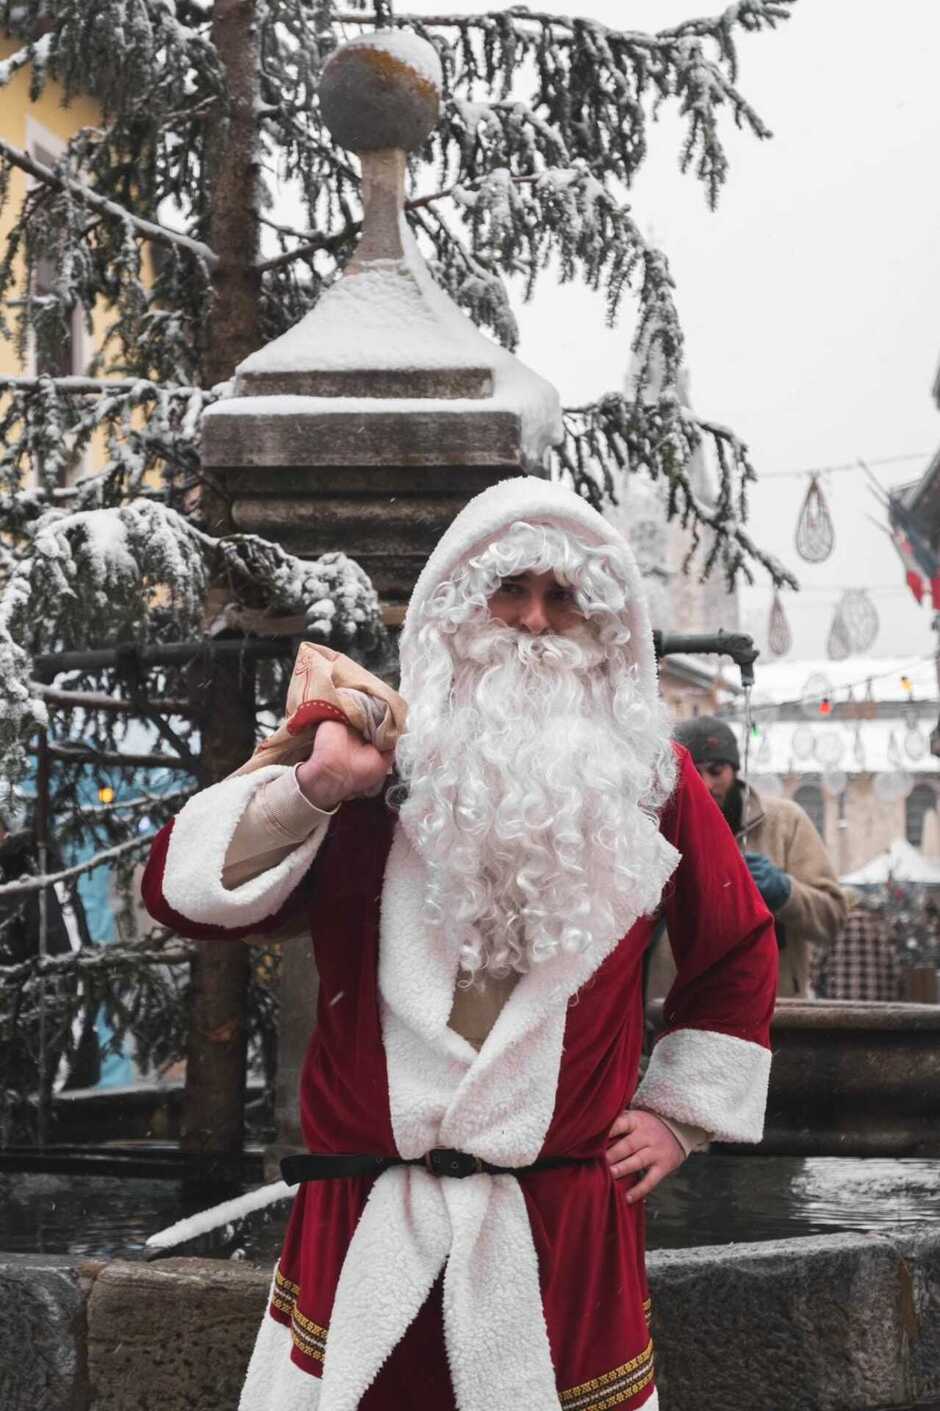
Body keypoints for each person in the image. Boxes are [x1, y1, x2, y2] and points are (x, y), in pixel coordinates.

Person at [142, 478, 778, 1411]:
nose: (531, 619)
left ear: (608, 626)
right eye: (507, 590)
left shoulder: (654, 782)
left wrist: (679, 1115)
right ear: (455, 604)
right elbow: (186, 896)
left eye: (563, 597)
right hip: (367, 1227)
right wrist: (313, 788)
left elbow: (736, 950)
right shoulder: (372, 762)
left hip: (559, 1236)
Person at [665, 715, 847, 998]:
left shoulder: (786, 822)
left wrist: (786, 892)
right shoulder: (662, 830)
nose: (705, 784)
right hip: (679, 1008)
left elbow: (833, 919)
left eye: (716, 770)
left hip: (774, 1010)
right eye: (692, 772)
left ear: (735, 770)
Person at [814, 888, 899, 1001]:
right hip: (879, 1008)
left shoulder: (833, 927)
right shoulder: (882, 927)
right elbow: (895, 971)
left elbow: (815, 969)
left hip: (839, 1006)